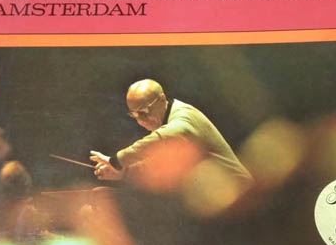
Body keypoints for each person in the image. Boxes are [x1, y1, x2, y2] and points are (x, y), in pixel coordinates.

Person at [90, 79, 252, 189]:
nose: (140, 120)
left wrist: (116, 161)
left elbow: (159, 139)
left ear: (161, 99)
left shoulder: (183, 118)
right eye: (135, 115)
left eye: (144, 112)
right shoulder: (168, 122)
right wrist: (124, 172)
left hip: (242, 195)